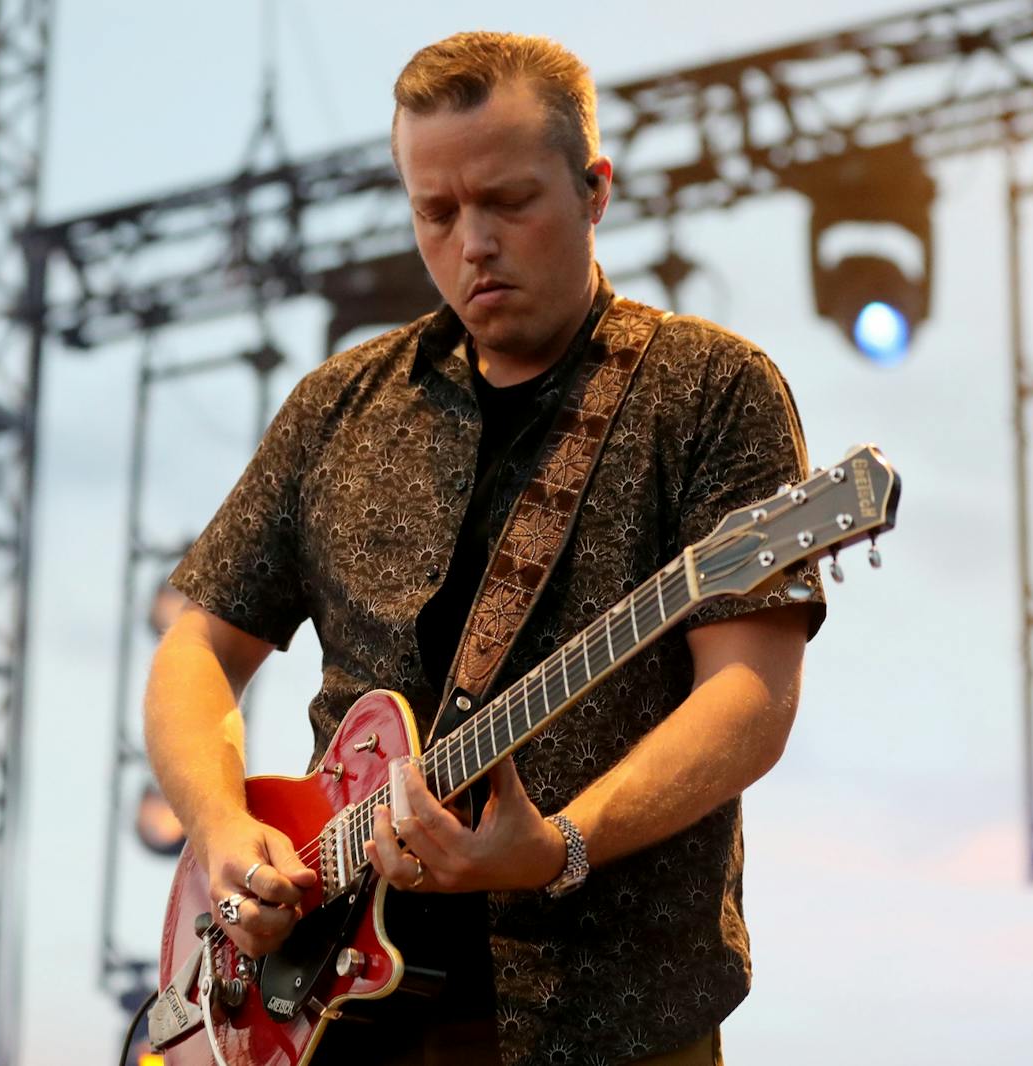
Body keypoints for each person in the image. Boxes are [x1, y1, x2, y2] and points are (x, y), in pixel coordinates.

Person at [144, 31, 825, 1066]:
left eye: (510, 202)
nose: (474, 242)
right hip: (333, 1016)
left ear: (594, 189)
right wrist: (221, 827)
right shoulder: (338, 408)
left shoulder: (708, 389)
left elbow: (750, 696)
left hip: (610, 1015)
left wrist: (562, 845)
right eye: (437, 211)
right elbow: (196, 645)